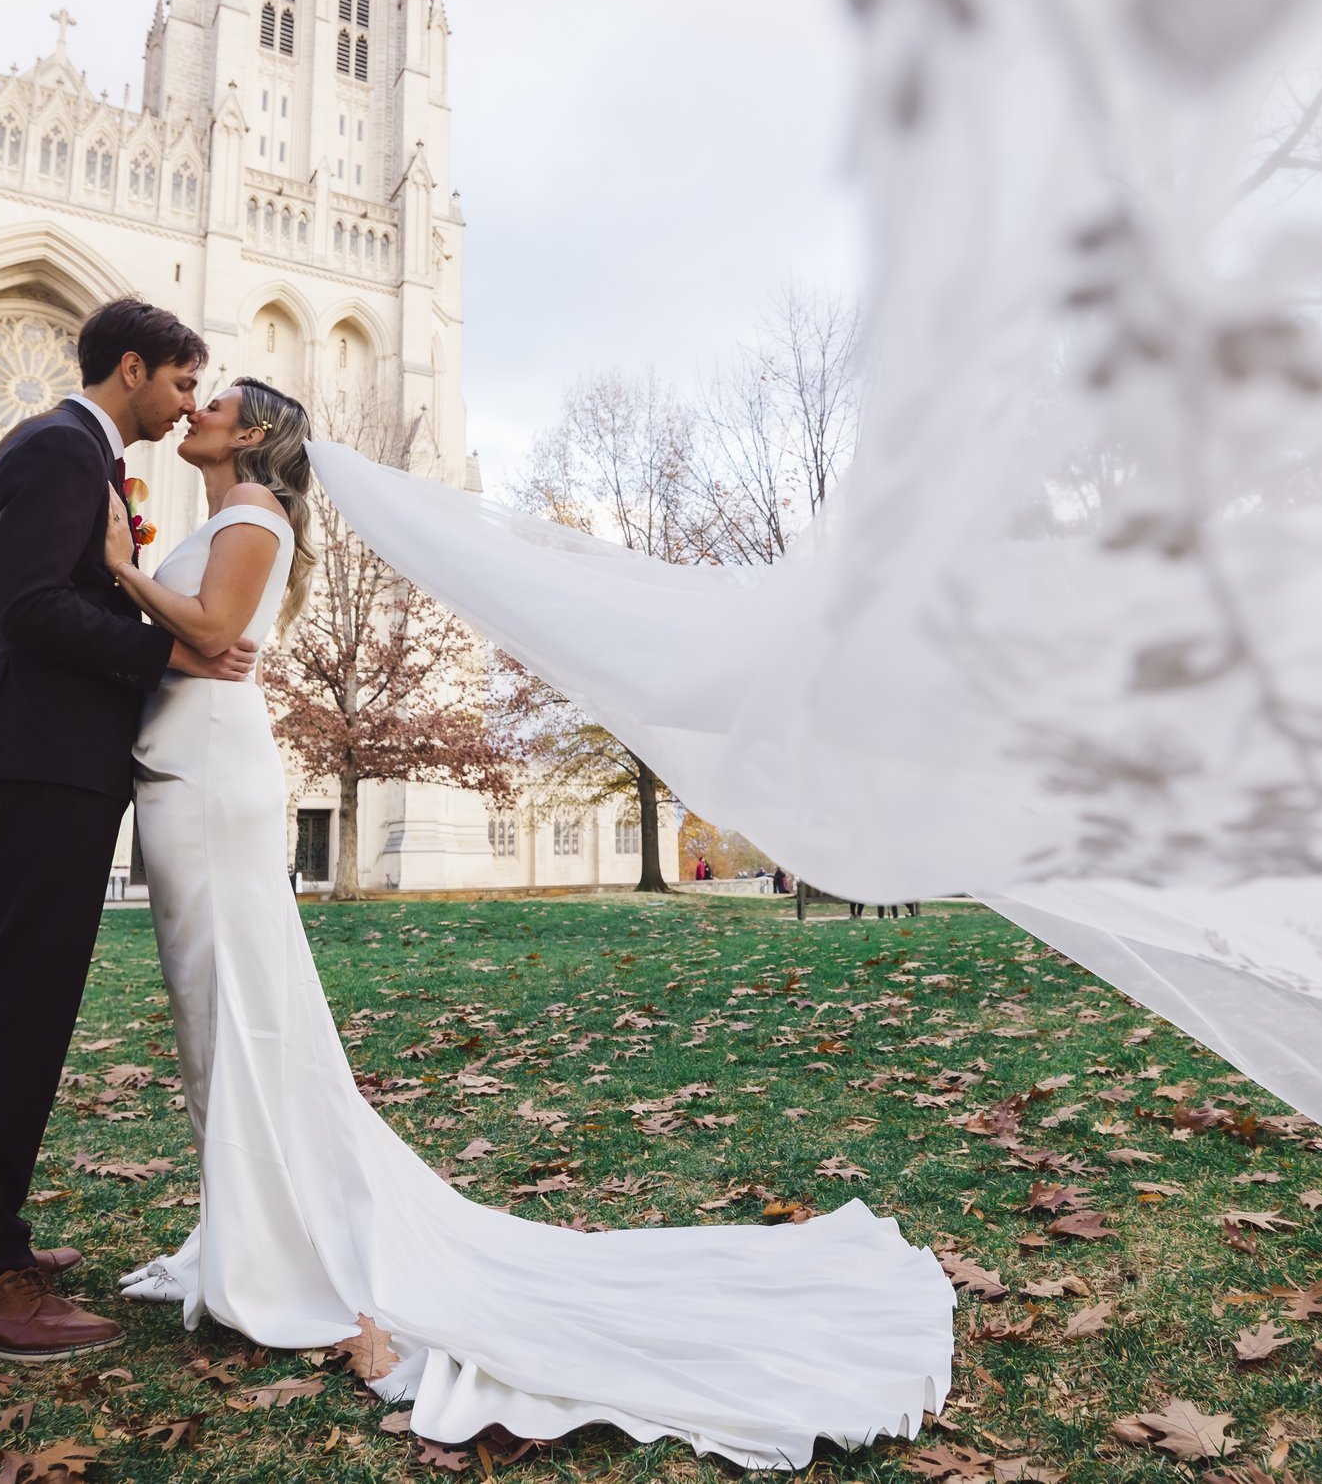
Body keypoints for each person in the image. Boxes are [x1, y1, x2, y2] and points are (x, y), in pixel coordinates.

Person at [106, 379, 953, 1468]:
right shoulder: (222, 518)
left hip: (212, 780)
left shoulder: (253, 518)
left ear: (257, 433)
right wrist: (150, 590)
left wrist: (122, 573)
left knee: (239, 1009)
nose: (196, 412)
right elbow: (196, 639)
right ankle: (256, 1222)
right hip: (188, 769)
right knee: (224, 1014)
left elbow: (212, 634)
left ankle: (280, 1242)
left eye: (215, 402)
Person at [0, 299, 254, 1362]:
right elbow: (26, 608)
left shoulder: (67, 451)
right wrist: (170, 654)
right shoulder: (61, 448)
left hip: (50, 756)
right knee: (17, 1010)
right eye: (182, 383)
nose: (188, 402)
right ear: (134, 367)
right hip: (48, 757)